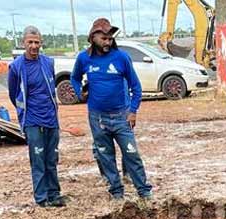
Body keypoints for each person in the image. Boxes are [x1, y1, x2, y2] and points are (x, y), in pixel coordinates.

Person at [70, 18, 153, 205]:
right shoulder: (84, 58)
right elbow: (74, 78)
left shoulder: (121, 57)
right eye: (104, 38)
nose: (107, 42)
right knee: (105, 155)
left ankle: (143, 191)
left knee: (131, 153)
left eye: (110, 39)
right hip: (97, 117)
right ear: (93, 37)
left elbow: (136, 86)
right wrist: (79, 92)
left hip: (121, 116)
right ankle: (116, 192)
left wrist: (133, 111)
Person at [8, 26, 66, 208]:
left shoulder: (48, 62)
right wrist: (24, 115)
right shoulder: (17, 67)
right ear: (23, 43)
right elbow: (13, 93)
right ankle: (42, 198)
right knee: (38, 159)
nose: (34, 46)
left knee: (51, 158)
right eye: (30, 42)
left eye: (37, 42)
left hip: (51, 119)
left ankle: (54, 194)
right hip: (33, 120)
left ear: (41, 43)